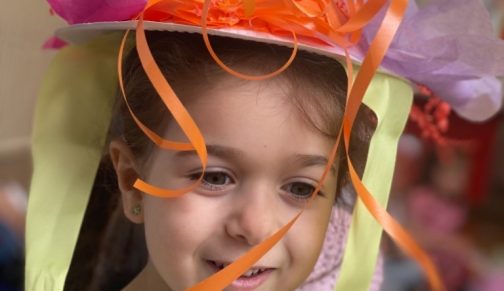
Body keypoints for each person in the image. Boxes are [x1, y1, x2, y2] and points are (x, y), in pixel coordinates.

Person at [25, 0, 504, 290]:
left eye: (300, 188)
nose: (255, 228)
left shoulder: (331, 261)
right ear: (133, 182)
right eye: (214, 177)